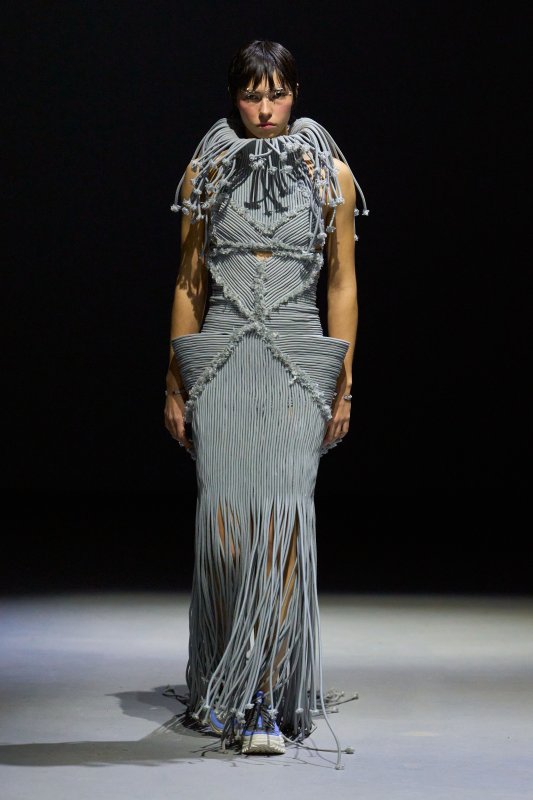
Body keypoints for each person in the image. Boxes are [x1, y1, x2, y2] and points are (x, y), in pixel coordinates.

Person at [164, 40, 368, 769]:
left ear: (295, 92)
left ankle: (265, 697)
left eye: (275, 93)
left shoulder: (328, 171)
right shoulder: (208, 169)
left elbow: (341, 282)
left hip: (296, 361)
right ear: (235, 97)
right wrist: (174, 381)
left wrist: (343, 380)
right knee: (224, 529)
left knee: (281, 526)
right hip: (221, 357)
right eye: (251, 95)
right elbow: (189, 282)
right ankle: (226, 671)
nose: (263, 108)